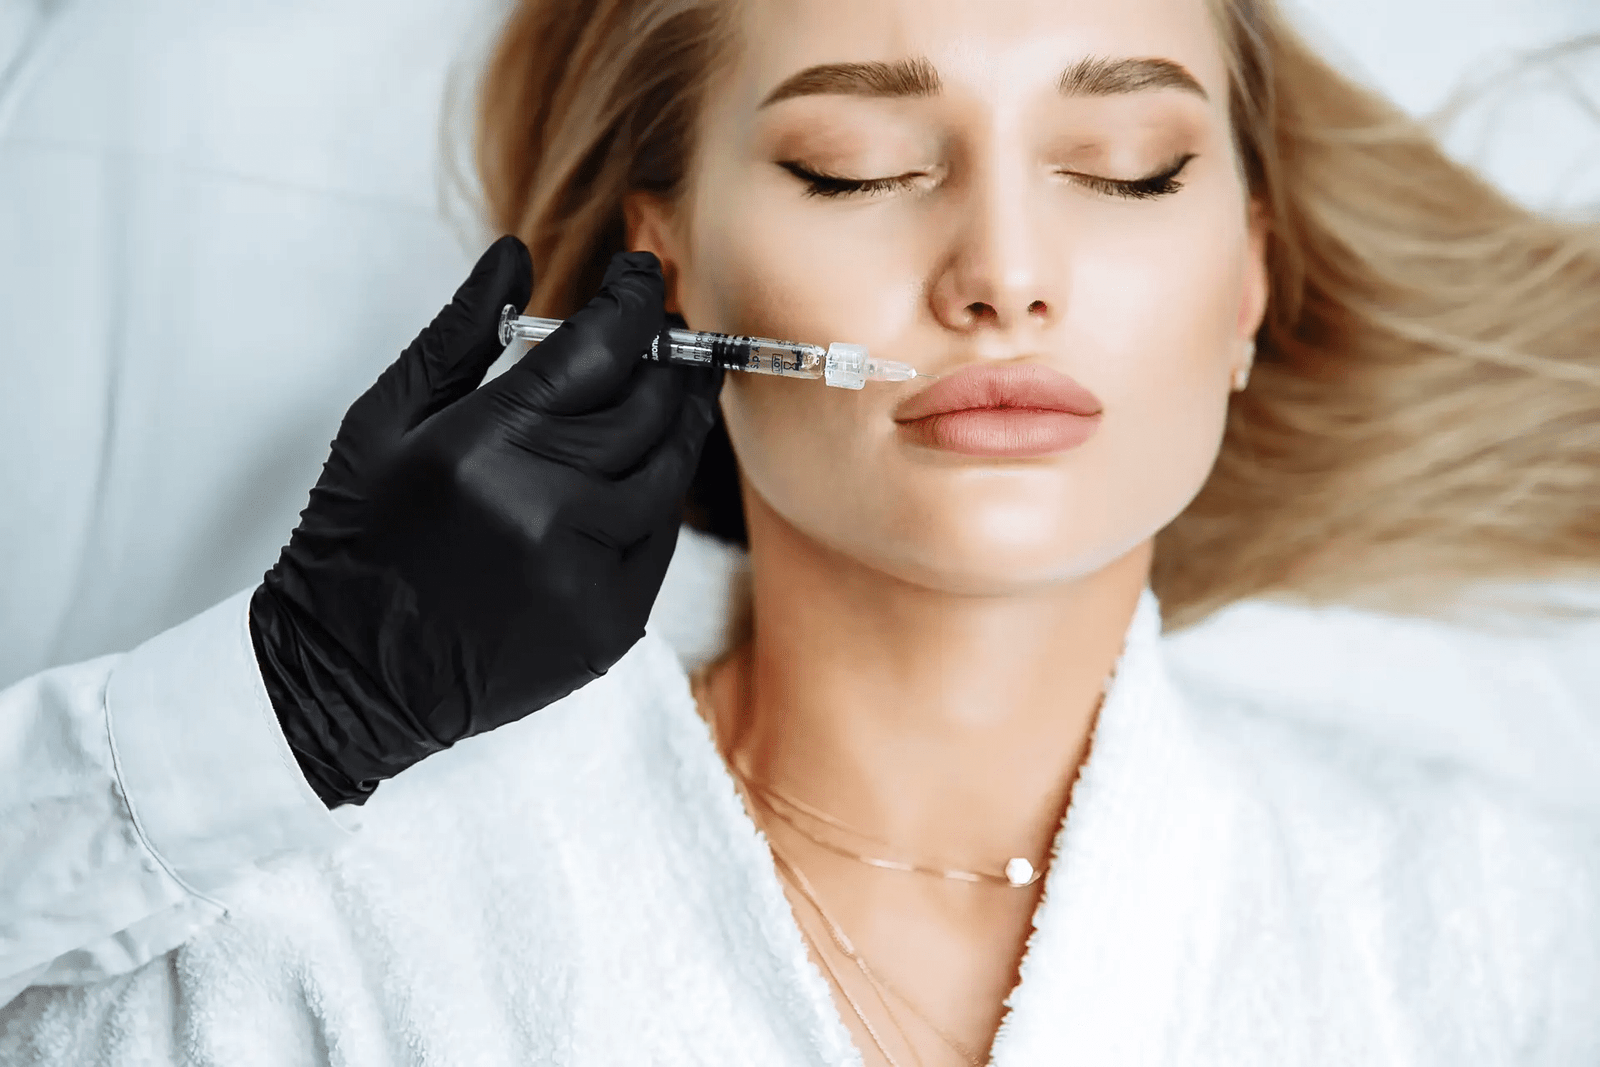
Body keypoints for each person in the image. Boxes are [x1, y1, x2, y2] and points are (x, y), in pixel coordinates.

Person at [5, 0, 1600, 1062]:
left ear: (1250, 277)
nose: (1003, 271)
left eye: (1129, 171)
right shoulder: (329, 930)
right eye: (857, 169)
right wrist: (285, 703)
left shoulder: (1491, 923)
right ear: (669, 273)